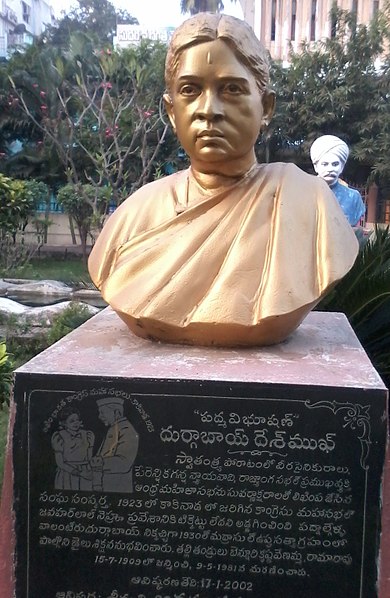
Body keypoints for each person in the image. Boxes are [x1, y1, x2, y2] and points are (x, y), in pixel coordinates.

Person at [88, 13, 358, 347]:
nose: (209, 110)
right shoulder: (134, 216)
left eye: (231, 89)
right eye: (190, 90)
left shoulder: (310, 203)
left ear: (266, 106)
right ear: (172, 111)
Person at [310, 135, 366, 227]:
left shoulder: (353, 197)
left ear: (342, 167)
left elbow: (356, 232)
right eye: (325, 164)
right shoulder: (304, 193)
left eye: (335, 164)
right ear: (316, 166)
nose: (330, 169)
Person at [90, 397, 139, 493]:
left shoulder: (126, 429)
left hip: (117, 488)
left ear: (117, 413)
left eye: (102, 412)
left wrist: (98, 463)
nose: (100, 416)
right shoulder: (114, 428)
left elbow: (124, 463)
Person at [51, 408, 94, 491]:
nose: (76, 423)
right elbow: (60, 463)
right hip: (67, 473)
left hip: (85, 473)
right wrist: (78, 473)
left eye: (77, 420)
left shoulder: (87, 434)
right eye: (72, 421)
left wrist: (87, 472)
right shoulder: (59, 437)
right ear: (64, 423)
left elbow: (89, 458)